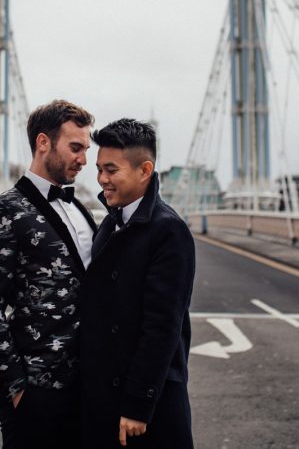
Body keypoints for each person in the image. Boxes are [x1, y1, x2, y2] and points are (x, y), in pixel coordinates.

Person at [0, 99, 97, 449]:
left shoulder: (81, 209)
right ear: (44, 142)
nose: (83, 159)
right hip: (35, 387)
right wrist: (15, 386)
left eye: (85, 149)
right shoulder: (3, 210)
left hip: (87, 384)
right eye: (75, 147)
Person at [80, 118, 196, 448]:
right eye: (100, 169)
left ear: (144, 170)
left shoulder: (168, 231)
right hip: (105, 398)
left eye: (111, 170)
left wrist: (137, 406)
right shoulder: (111, 223)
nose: (102, 179)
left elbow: (162, 328)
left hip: (146, 409)